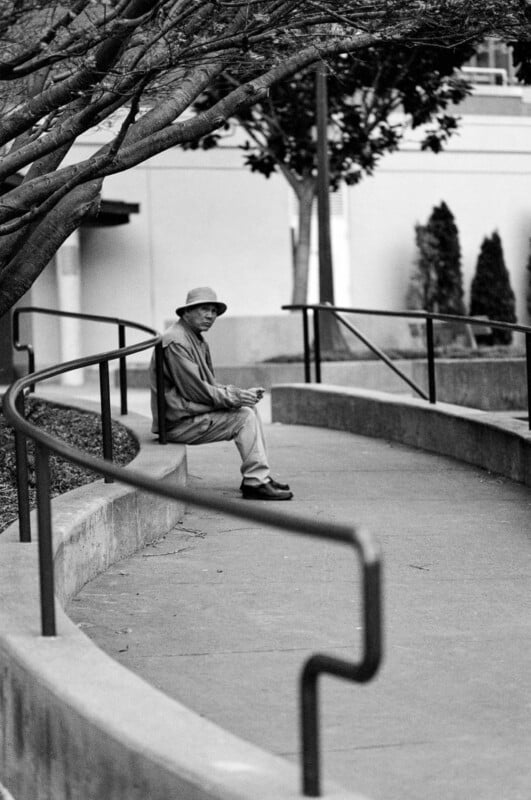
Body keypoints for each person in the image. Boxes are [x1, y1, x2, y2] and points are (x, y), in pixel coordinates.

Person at [149, 287, 293, 500]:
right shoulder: (176, 341)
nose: (210, 316)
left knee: (249, 408)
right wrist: (235, 397)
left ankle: (259, 476)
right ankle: (255, 482)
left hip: (189, 415)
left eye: (214, 311)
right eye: (204, 309)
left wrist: (240, 395)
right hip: (177, 423)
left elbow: (207, 386)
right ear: (186, 312)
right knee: (244, 417)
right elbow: (196, 391)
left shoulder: (194, 337)